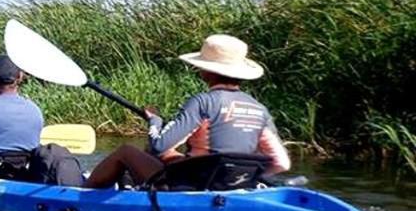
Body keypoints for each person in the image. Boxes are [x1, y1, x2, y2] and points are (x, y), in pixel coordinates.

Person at [84, 34, 291, 188]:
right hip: (233, 184)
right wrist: (246, 181)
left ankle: (80, 196)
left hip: (194, 184)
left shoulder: (203, 102)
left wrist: (155, 122)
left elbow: (158, 145)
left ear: (208, 71)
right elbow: (281, 163)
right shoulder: (259, 109)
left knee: (126, 152)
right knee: (171, 155)